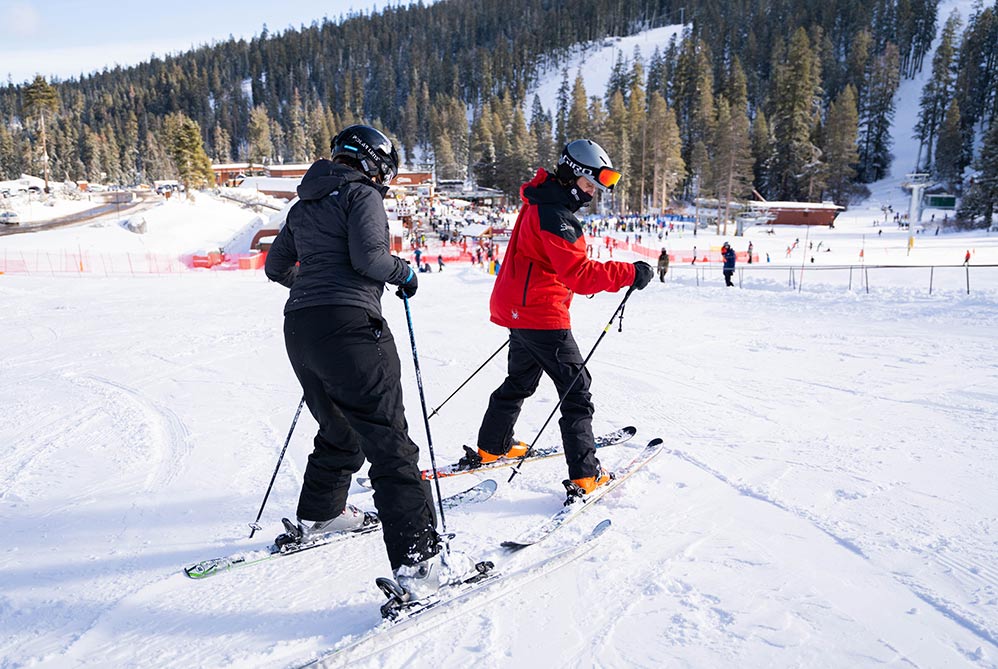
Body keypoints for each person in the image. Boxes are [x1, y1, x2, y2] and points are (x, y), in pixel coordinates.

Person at [264, 125, 449, 600]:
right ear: (372, 162)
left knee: (340, 426)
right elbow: (370, 259)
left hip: (301, 330)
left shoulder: (304, 203)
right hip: (352, 329)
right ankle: (420, 564)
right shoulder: (360, 194)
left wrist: (315, 289)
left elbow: (275, 267)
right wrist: (404, 272)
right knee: (389, 443)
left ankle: (322, 512)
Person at [466, 139, 653, 497]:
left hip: (519, 308)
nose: (591, 195)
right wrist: (629, 273)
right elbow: (579, 275)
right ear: (571, 176)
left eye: (595, 189)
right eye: (587, 186)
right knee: (576, 391)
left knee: (520, 381)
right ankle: (585, 475)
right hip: (539, 313)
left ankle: (493, 446)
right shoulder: (555, 215)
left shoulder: (540, 202)